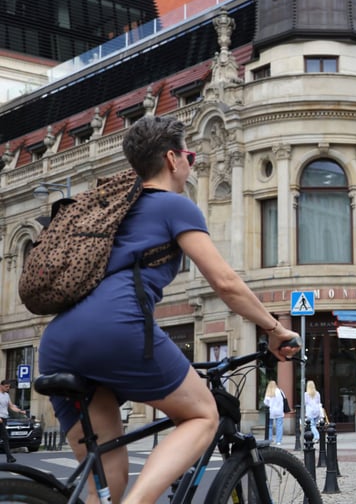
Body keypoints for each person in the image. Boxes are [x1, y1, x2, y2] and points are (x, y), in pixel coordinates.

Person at [38, 116, 301, 504]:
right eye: (190, 156)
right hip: (116, 330)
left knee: (104, 482)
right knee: (203, 415)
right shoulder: (174, 206)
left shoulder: (113, 210)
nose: (191, 164)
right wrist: (274, 328)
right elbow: (225, 283)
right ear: (173, 159)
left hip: (58, 342)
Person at [0, 380, 25, 463]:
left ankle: (9, 457)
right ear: (1, 386)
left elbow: (11, 406)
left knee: (4, 437)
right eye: (6, 386)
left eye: (9, 387)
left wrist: (20, 411)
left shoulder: (6, 395)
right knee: (5, 437)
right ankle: (9, 457)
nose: (8, 388)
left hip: (4, 418)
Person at [263, 380, 287, 445]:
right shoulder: (280, 391)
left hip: (271, 411)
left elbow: (265, 402)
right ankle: (278, 441)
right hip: (279, 411)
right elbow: (285, 399)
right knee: (279, 426)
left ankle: (270, 440)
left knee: (269, 426)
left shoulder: (269, 392)